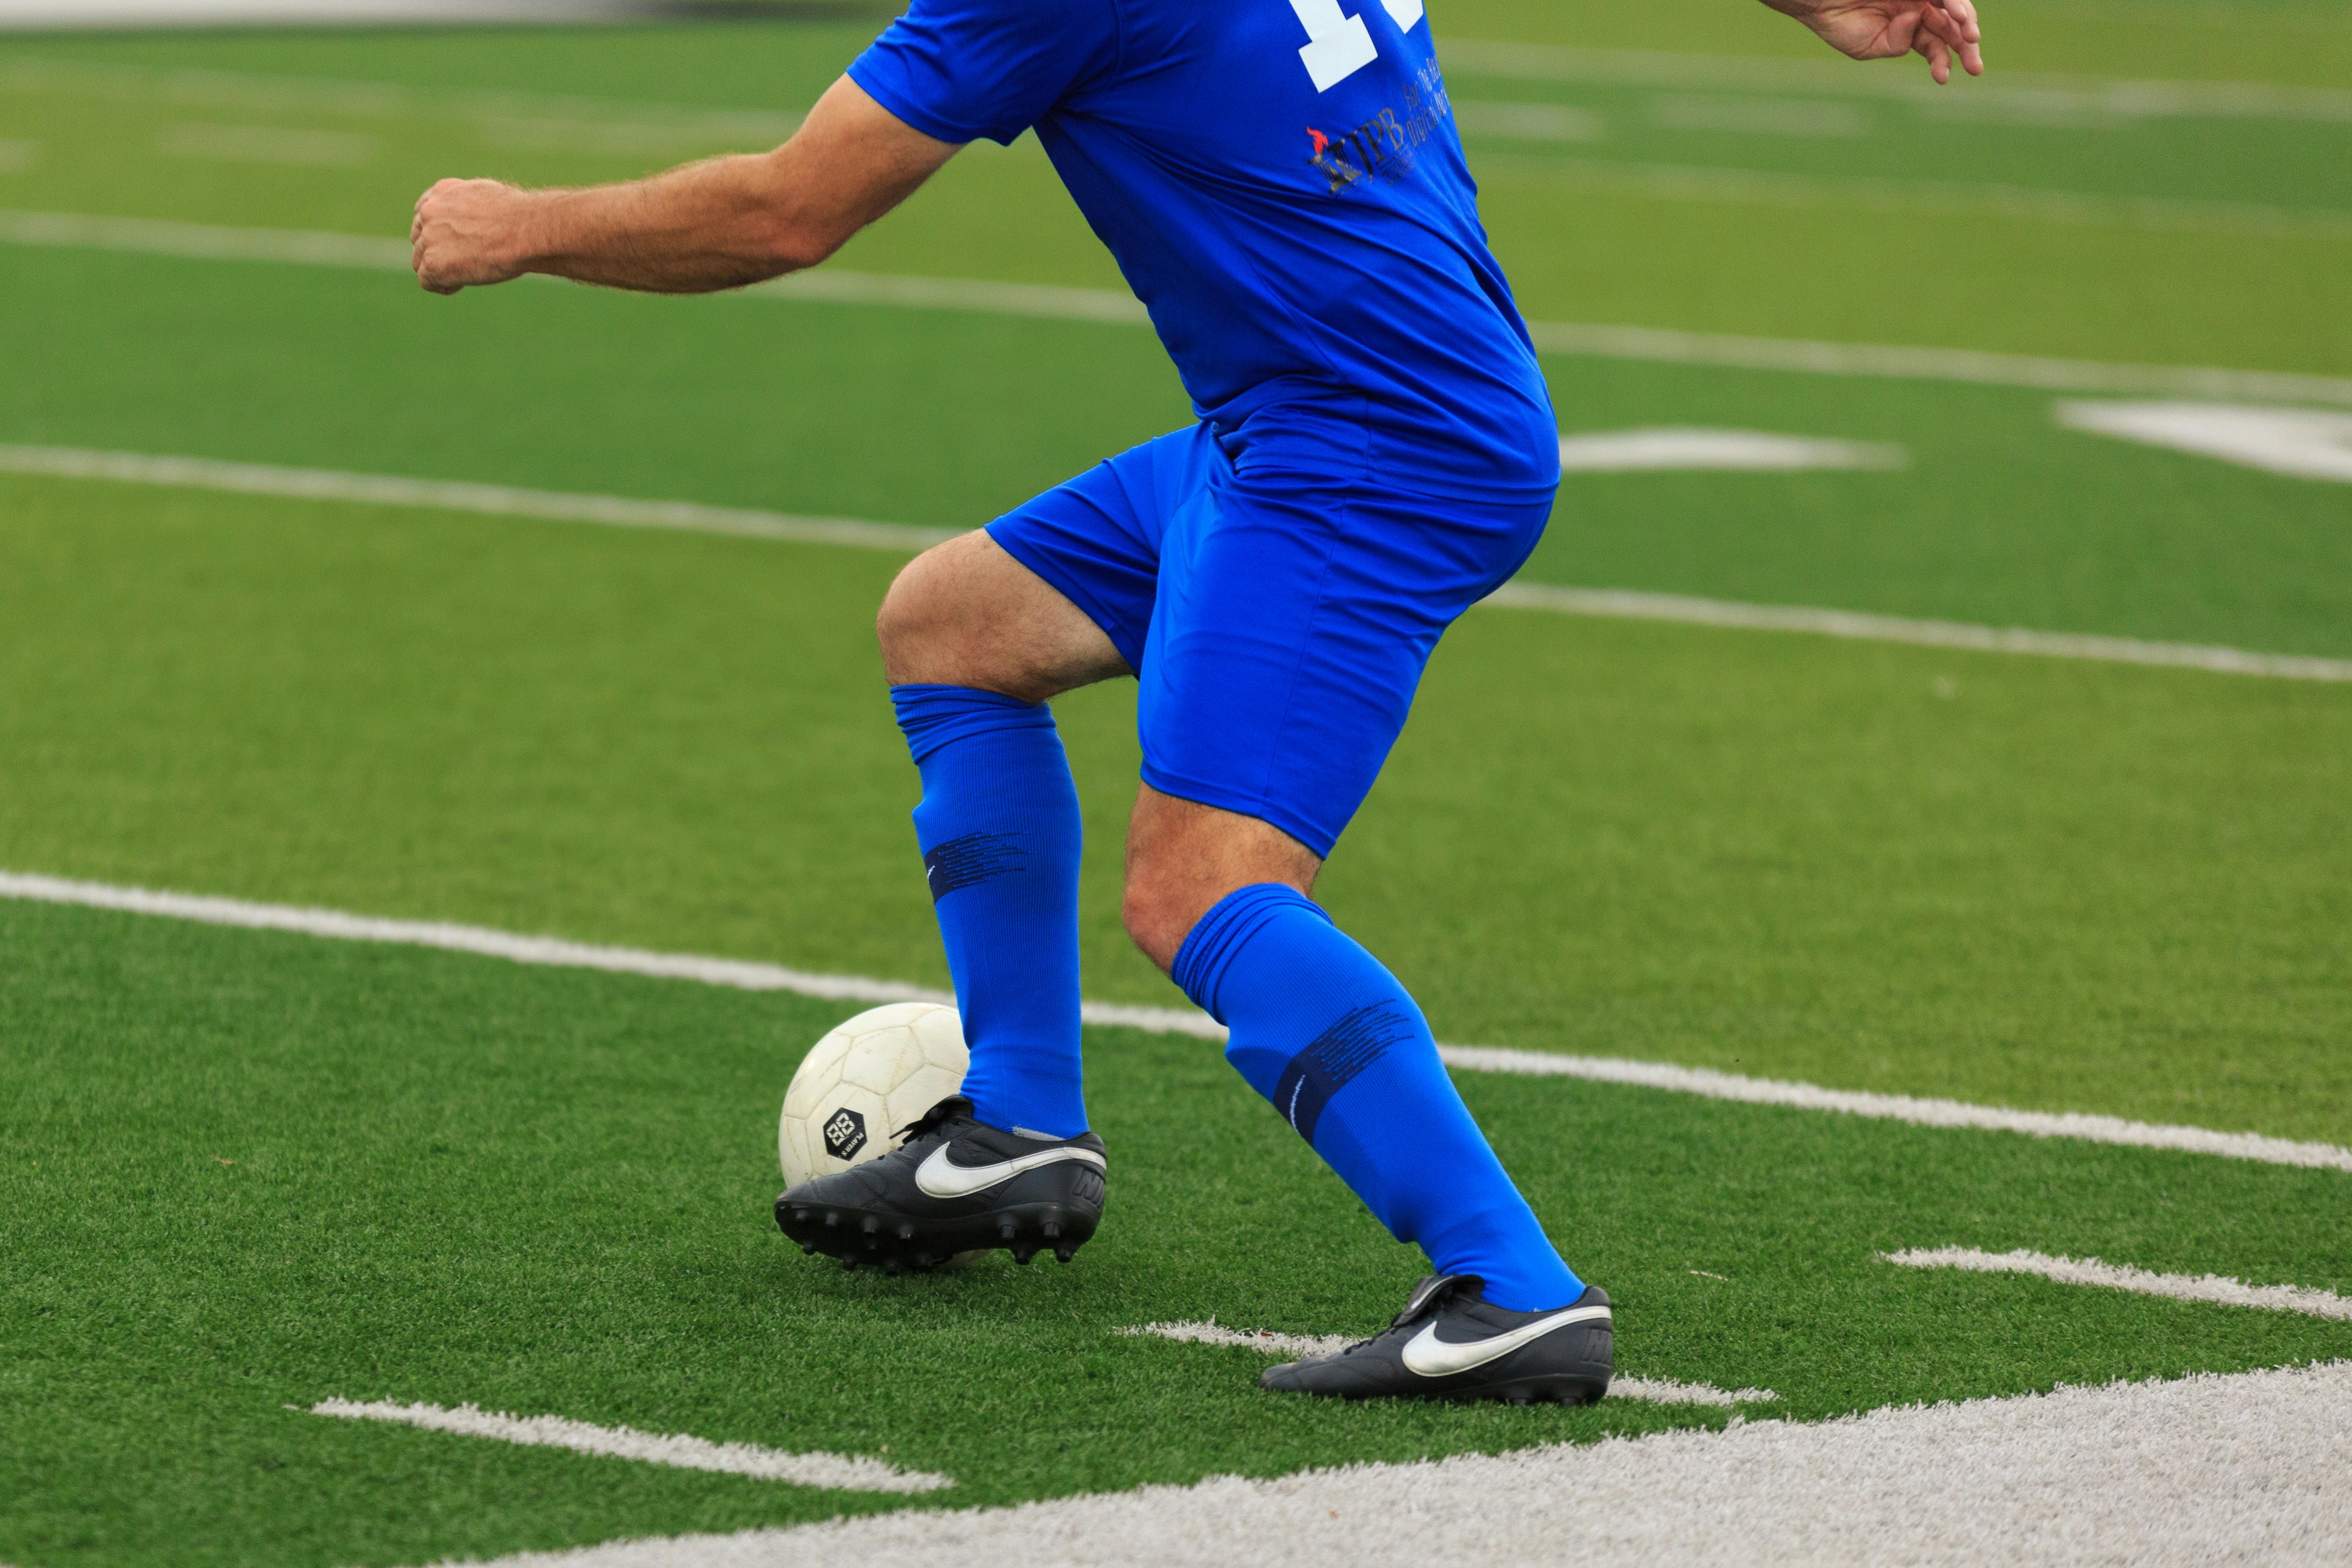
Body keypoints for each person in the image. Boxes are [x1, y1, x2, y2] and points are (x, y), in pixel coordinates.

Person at [412, 0, 1983, 1403]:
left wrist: (523, 223)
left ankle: (1508, 1285)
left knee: (1196, 888)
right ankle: (1020, 1120)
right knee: (950, 626)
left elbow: (788, 212)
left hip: (1366, 444)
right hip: (1315, 420)